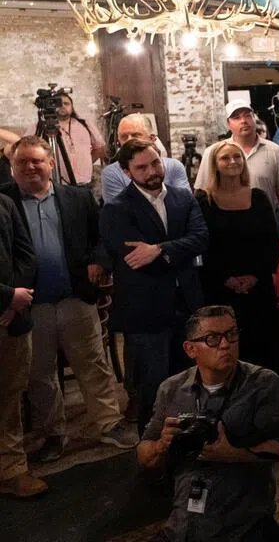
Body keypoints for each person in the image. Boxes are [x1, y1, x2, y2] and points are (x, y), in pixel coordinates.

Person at [1, 137, 136, 464]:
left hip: (75, 297)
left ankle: (109, 423)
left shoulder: (77, 198)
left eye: (36, 161)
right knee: (40, 375)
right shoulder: (5, 202)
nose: (30, 167)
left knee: (93, 365)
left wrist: (99, 261)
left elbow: (101, 239)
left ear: (51, 164)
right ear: (12, 167)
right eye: (22, 163)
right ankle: (53, 433)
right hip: (31, 306)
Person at [137, 305, 279, 542]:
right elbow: (143, 455)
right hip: (183, 522)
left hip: (240, 525)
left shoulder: (262, 384)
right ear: (190, 349)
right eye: (212, 338)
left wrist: (232, 453)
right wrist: (160, 446)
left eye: (232, 334)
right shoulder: (171, 389)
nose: (226, 345)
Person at [101, 139, 209, 435]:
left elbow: (201, 237)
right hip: (145, 309)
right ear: (126, 171)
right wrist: (176, 251)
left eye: (155, 163)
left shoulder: (182, 198)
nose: (152, 171)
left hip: (186, 303)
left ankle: (189, 442)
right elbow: (134, 258)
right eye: (141, 167)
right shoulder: (117, 208)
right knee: (153, 387)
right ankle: (152, 451)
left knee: (190, 380)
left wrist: (159, 249)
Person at [194, 142, 279, 391]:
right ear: (215, 165)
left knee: (265, 339)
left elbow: (270, 240)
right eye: (225, 158)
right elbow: (203, 245)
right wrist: (226, 278)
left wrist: (256, 275)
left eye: (237, 157)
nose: (232, 162)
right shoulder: (204, 200)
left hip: (257, 282)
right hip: (220, 285)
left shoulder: (258, 197)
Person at [194, 101, 279, 256]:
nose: (243, 120)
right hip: (223, 232)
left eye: (247, 115)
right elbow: (201, 195)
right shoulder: (214, 153)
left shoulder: (275, 152)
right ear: (228, 123)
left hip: (264, 230)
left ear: (254, 118)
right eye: (236, 117)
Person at [0, 182, 41, 497]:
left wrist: (13, 303)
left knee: (9, 396)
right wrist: (6, 297)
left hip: (11, 318)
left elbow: (25, 255)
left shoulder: (5, 202)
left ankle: (12, 468)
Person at [102, 113, 191, 203]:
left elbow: (186, 203)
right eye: (124, 137)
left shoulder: (174, 167)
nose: (129, 141)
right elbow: (119, 213)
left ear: (152, 138)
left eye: (135, 135)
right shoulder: (112, 173)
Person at [28, 92, 107, 187]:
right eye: (59, 103)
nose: (62, 106)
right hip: (55, 183)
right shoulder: (40, 126)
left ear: (72, 107)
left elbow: (99, 148)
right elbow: (27, 148)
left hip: (84, 182)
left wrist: (86, 162)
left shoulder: (85, 124)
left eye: (66, 103)